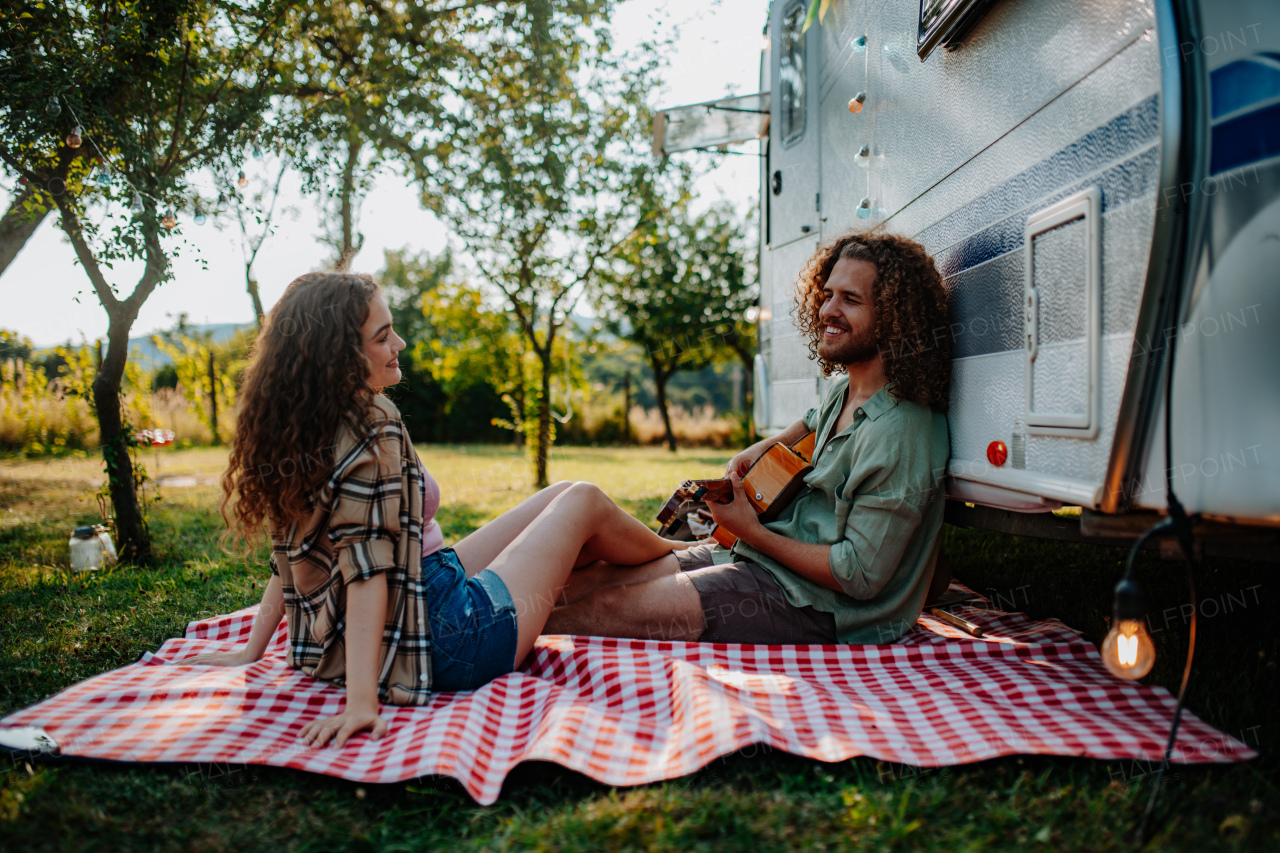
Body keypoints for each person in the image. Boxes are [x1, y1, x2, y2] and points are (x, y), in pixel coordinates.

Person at [181, 272, 689, 748]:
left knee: (563, 493)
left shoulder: (304, 424)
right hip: (451, 640)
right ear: (339, 358)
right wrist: (362, 703)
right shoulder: (371, 422)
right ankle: (687, 548)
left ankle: (677, 555)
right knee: (583, 501)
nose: (399, 344)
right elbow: (365, 568)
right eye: (383, 336)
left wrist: (252, 650)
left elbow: (294, 553)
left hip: (422, 596)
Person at [545, 232, 953, 646]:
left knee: (605, 609)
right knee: (598, 579)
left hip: (817, 604)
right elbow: (812, 422)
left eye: (850, 299)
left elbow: (859, 575)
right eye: (827, 294)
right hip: (767, 556)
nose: (828, 309)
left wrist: (752, 532)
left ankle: (483, 640)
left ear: (893, 315)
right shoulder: (846, 390)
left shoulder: (902, 431)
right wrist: (764, 447)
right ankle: (486, 608)